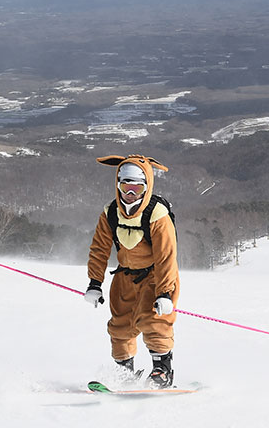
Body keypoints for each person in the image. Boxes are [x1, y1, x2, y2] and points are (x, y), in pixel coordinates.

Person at [84, 154, 179, 388]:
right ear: (118, 185)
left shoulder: (157, 215)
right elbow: (99, 249)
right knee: (120, 325)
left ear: (146, 186)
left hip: (155, 276)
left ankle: (162, 371)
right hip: (125, 276)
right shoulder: (111, 213)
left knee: (153, 319)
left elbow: (167, 256)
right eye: (126, 186)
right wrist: (95, 283)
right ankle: (124, 372)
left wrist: (165, 293)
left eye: (137, 188)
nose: (130, 193)